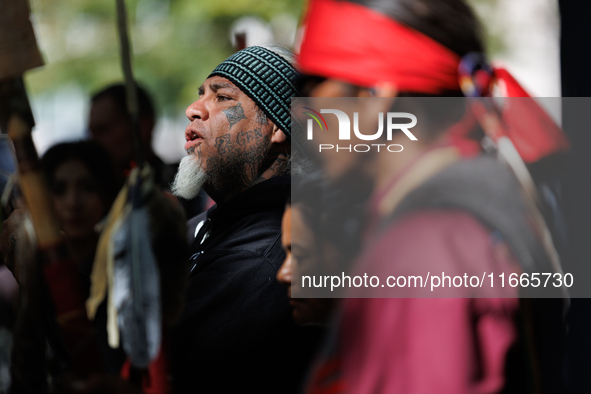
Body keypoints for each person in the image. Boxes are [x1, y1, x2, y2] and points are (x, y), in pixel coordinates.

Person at [294, 0, 567, 393]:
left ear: (374, 97)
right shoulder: (481, 201)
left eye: (310, 85)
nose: (302, 111)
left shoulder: (422, 246)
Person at [169, 44, 321, 393]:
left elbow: (152, 367)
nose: (194, 109)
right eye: (201, 95)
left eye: (222, 98)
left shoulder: (270, 252)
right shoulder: (208, 227)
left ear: (278, 129)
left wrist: (50, 277)